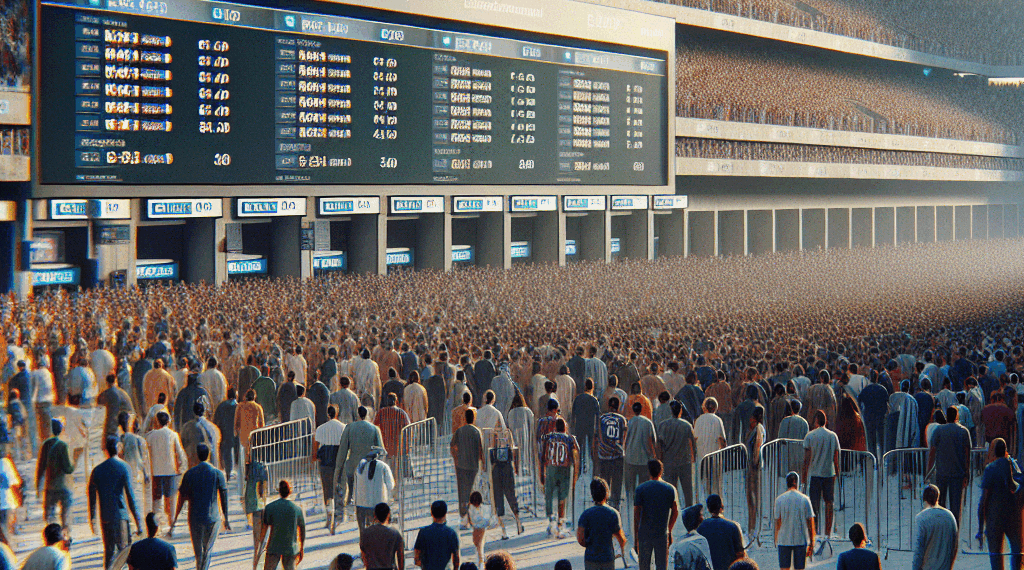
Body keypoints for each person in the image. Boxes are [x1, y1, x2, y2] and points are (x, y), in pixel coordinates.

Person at [88, 435, 143, 569]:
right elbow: (130, 497)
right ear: (118, 448)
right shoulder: (124, 467)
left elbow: (91, 497)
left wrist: (93, 518)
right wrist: (138, 522)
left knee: (109, 552)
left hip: (105, 517)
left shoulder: (97, 470)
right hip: (121, 516)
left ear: (105, 450)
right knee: (124, 552)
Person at [172, 443, 229, 570]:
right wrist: (226, 518)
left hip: (195, 519)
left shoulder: (189, 474)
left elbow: (181, 499)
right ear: (208, 455)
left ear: (197, 456)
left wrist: (175, 519)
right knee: (207, 551)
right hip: (213, 519)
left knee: (199, 554)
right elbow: (224, 497)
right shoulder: (217, 474)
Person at [334, 406, 384, 526]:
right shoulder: (374, 429)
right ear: (367, 414)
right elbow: (381, 450)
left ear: (357, 414)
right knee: (368, 495)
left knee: (355, 494)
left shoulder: (350, 428)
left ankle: (359, 519)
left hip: (353, 468)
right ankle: (368, 520)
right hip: (369, 468)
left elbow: (343, 451)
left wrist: (338, 468)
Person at [978, 438, 1022, 570]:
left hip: (994, 518)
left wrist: (981, 528)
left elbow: (984, 499)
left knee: (996, 555)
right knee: (1016, 552)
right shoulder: (1014, 466)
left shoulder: (990, 469)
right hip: (1014, 517)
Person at [926, 406, 971, 525]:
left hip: (942, 473)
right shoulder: (963, 431)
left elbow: (932, 452)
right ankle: (954, 530)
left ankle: (942, 527)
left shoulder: (939, 431)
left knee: (940, 503)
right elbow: (967, 455)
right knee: (956, 506)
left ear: (946, 416)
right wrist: (967, 473)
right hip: (958, 474)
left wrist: (928, 470)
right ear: (957, 416)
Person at [146, 411, 187, 533]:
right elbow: (181, 454)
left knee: (157, 502)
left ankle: (156, 528)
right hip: (171, 471)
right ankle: (172, 526)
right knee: (171, 502)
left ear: (157, 422)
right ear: (168, 422)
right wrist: (182, 468)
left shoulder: (150, 436)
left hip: (156, 472)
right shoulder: (173, 434)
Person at [633, 459, 679, 570]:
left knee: (644, 566)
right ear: (661, 471)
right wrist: (669, 529)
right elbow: (675, 511)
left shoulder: (640, 489)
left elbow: (636, 514)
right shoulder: (670, 489)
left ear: (648, 472)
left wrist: (636, 538)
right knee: (662, 566)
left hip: (645, 533)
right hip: (662, 533)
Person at [802, 410, 839, 537]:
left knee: (814, 505)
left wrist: (804, 476)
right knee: (829, 503)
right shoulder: (832, 436)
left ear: (816, 420)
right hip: (829, 473)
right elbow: (836, 456)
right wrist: (838, 473)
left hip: (815, 474)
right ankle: (827, 532)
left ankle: (815, 532)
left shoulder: (810, 436)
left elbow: (806, 459)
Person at [541, 417, 580, 538]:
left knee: (550, 495)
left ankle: (551, 521)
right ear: (565, 427)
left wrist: (542, 471)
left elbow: (543, 455)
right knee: (562, 497)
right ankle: (560, 523)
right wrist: (575, 474)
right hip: (564, 468)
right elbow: (576, 453)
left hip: (551, 467)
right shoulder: (569, 438)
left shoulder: (548, 437)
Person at [577, 478, 628, 570]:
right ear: (606, 494)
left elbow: (580, 539)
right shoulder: (613, 513)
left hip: (591, 558)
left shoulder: (586, 514)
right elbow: (621, 539)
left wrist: (590, 545)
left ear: (592, 496)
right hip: (607, 558)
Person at [36, 418, 76, 530]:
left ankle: (52, 537)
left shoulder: (46, 445)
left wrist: (38, 487)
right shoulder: (63, 446)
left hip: (50, 487)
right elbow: (68, 469)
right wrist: (74, 462)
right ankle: (65, 538)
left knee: (50, 517)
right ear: (61, 430)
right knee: (66, 516)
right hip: (64, 486)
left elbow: (40, 468)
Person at [259, 480, 306, 570]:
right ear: (290, 491)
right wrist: (301, 548)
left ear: (279, 491)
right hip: (290, 548)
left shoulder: (270, 508)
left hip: (273, 546)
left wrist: (260, 548)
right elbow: (302, 530)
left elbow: (264, 530)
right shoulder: (297, 509)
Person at [489, 417, 524, 538]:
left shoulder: (493, 435)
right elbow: (513, 451)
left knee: (498, 498)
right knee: (511, 495)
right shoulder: (508, 434)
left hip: (496, 469)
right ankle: (518, 523)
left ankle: (504, 531)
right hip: (507, 468)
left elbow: (491, 452)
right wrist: (516, 468)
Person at [773, 472, 814, 570]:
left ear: (787, 483)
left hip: (784, 540)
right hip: (800, 539)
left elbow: (778, 522)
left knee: (784, 568)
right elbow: (810, 522)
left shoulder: (779, 500)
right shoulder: (805, 499)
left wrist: (776, 538)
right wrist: (812, 542)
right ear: (797, 483)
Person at [312, 404, 344, 529]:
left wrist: (314, 457)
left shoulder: (320, 428)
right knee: (339, 487)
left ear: (328, 414)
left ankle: (329, 511)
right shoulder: (343, 427)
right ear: (336, 414)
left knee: (327, 489)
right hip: (338, 461)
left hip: (325, 462)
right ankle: (339, 515)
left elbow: (315, 447)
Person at [451, 408, 485, 526]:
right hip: (473, 466)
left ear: (465, 418)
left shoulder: (459, 431)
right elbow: (481, 449)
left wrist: (456, 458)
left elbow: (452, 446)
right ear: (474, 418)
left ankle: (463, 517)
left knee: (462, 491)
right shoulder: (477, 431)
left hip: (461, 465)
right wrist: (483, 463)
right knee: (472, 491)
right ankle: (471, 517)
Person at [659, 400, 696, 507]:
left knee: (670, 490)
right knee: (687, 490)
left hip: (669, 462)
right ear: (680, 411)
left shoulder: (663, 425)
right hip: (684, 462)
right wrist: (693, 459)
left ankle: (671, 511)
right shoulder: (687, 425)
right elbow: (692, 445)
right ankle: (689, 510)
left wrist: (660, 460)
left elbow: (660, 445)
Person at [912, 484, 957, 570]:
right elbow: (954, 545)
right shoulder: (950, 516)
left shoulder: (921, 518)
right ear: (937, 498)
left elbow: (919, 549)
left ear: (924, 499)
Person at [697, 494, 745, 570]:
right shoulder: (732, 526)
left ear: (708, 508)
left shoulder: (701, 527)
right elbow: (740, 554)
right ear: (721, 506)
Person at [595, 396, 627, 509]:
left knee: (605, 480)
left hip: (604, 455)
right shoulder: (622, 419)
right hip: (618, 455)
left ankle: (604, 502)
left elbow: (598, 436)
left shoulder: (601, 419)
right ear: (618, 407)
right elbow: (624, 437)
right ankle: (616, 504)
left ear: (609, 406)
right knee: (617, 481)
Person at [354, 447, 394, 536]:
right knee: (379, 531)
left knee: (364, 531)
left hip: (361, 505)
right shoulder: (383, 466)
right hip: (378, 505)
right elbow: (391, 485)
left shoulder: (360, 466)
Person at [624, 401, 657, 507]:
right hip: (644, 459)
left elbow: (625, 439)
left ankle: (632, 507)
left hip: (630, 458)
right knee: (644, 486)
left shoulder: (629, 422)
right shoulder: (648, 422)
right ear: (641, 410)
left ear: (633, 410)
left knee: (631, 487)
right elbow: (653, 440)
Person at [414, 500, 460, 570]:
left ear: (431, 513)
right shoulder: (451, 533)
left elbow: (417, 556)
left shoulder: (423, 532)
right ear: (445, 513)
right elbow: (456, 557)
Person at [694, 398, 727, 498]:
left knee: (706, 483)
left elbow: (695, 438)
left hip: (702, 457)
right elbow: (723, 439)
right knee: (716, 483)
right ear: (715, 408)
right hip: (715, 456)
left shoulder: (698, 420)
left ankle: (708, 502)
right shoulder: (718, 420)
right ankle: (717, 503)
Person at [360, 502, 404, 570]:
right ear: (388, 515)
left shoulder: (366, 533)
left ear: (374, 515)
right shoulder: (395, 533)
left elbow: (364, 555)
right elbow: (400, 556)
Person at [668, 504, 713, 570]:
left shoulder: (674, 546)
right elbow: (708, 566)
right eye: (701, 515)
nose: (703, 518)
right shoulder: (701, 541)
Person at [180, 401, 221, 470]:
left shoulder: (187, 427)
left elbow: (183, 444)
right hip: (211, 467)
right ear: (204, 411)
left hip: (194, 467)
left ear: (193, 411)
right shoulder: (213, 428)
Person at [744, 406, 765, 536]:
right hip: (751, 465)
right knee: (751, 497)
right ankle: (751, 526)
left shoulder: (758, 429)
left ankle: (754, 528)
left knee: (753, 497)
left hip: (754, 466)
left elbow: (757, 446)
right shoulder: (753, 429)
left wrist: (754, 463)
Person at [213, 387, 238, 480]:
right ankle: (236, 472)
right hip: (235, 433)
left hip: (224, 432)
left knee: (226, 452)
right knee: (237, 452)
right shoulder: (237, 406)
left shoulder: (221, 406)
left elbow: (215, 420)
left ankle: (227, 472)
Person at [467, 491, 489, 566]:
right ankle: (481, 558)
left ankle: (481, 561)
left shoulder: (482, 507)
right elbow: (470, 518)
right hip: (475, 527)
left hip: (481, 527)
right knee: (476, 543)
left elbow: (484, 518)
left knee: (479, 544)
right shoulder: (471, 508)